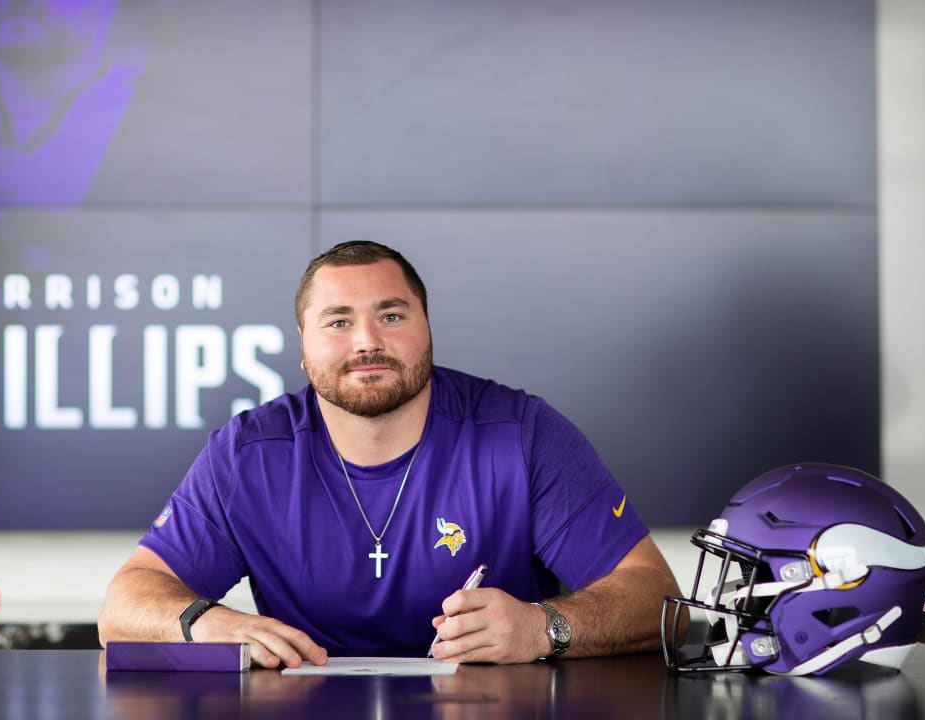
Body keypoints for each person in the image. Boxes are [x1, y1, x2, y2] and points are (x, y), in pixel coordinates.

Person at [99, 241, 682, 668]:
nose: (367, 341)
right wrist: (209, 624)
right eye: (338, 321)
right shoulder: (248, 452)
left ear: (427, 330)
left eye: (392, 315)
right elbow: (124, 605)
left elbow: (660, 600)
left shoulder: (520, 432)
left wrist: (543, 626)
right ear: (303, 350)